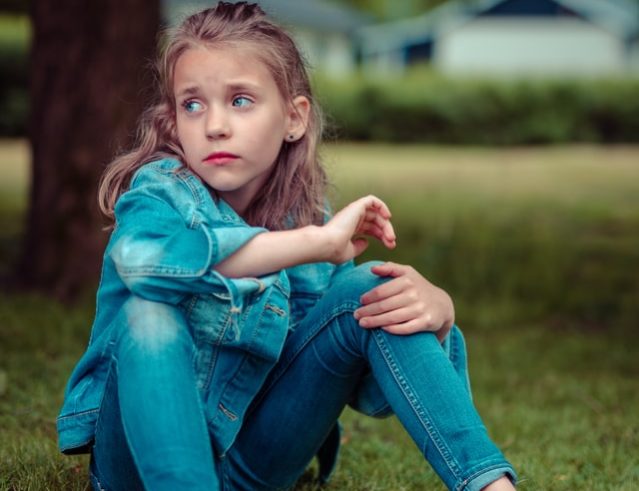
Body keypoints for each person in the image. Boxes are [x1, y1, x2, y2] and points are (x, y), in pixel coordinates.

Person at [57, 3, 517, 490]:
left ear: (294, 118)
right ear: (172, 124)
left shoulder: (305, 220)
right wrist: (311, 244)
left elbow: (373, 396)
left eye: (240, 100)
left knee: (372, 287)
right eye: (193, 104)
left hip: (255, 462)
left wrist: (439, 315)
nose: (215, 125)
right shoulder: (159, 192)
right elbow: (141, 263)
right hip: (137, 467)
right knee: (147, 315)